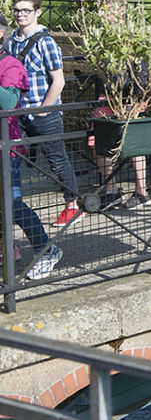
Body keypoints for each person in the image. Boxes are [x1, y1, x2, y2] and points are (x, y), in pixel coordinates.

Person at [6, 0, 81, 226]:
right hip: (19, 113)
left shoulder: (46, 42)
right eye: (17, 10)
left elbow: (58, 80)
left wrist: (44, 110)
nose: (21, 15)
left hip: (42, 112)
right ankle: (12, 208)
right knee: (12, 159)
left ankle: (73, 205)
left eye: (26, 10)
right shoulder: (11, 42)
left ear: (37, 12)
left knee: (57, 159)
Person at [0, 16, 61, 279]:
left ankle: (46, 249)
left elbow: (8, 101)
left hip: (5, 147)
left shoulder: (11, 65)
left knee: (12, 204)